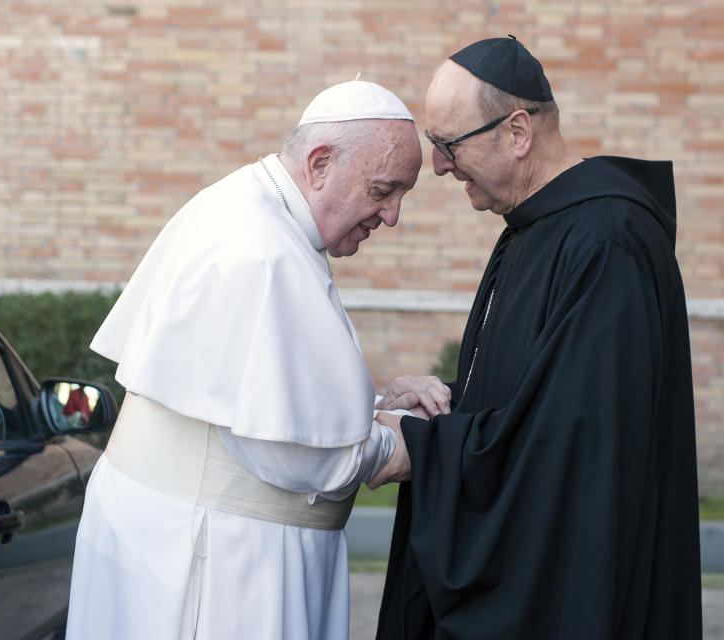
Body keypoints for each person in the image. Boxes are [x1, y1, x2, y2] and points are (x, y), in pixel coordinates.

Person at [65, 80, 450, 639]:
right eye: (383, 190)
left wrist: (371, 407)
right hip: (218, 559)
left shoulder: (257, 212)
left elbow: (258, 391)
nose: (391, 216)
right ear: (320, 164)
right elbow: (296, 455)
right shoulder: (261, 248)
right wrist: (403, 437)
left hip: (192, 538)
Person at [374, 36, 702, 638]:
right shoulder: (533, 229)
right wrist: (447, 399)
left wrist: (425, 447)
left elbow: (576, 445)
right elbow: (535, 391)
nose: (440, 167)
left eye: (448, 145)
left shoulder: (608, 241)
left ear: (518, 131)